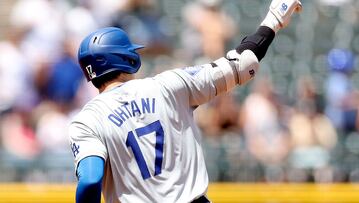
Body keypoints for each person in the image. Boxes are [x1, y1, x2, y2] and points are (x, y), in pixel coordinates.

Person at [69, 0, 302, 202]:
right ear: (127, 58)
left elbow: (90, 180)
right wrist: (274, 18)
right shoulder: (168, 85)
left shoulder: (87, 121)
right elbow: (244, 63)